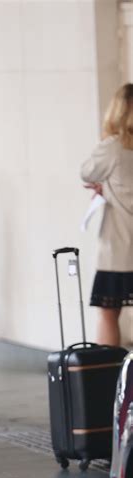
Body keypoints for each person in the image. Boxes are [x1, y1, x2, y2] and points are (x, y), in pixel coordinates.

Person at [81, 83, 133, 346]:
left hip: (119, 250)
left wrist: (106, 184)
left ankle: (110, 378)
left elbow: (87, 172)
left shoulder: (113, 147)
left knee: (109, 313)